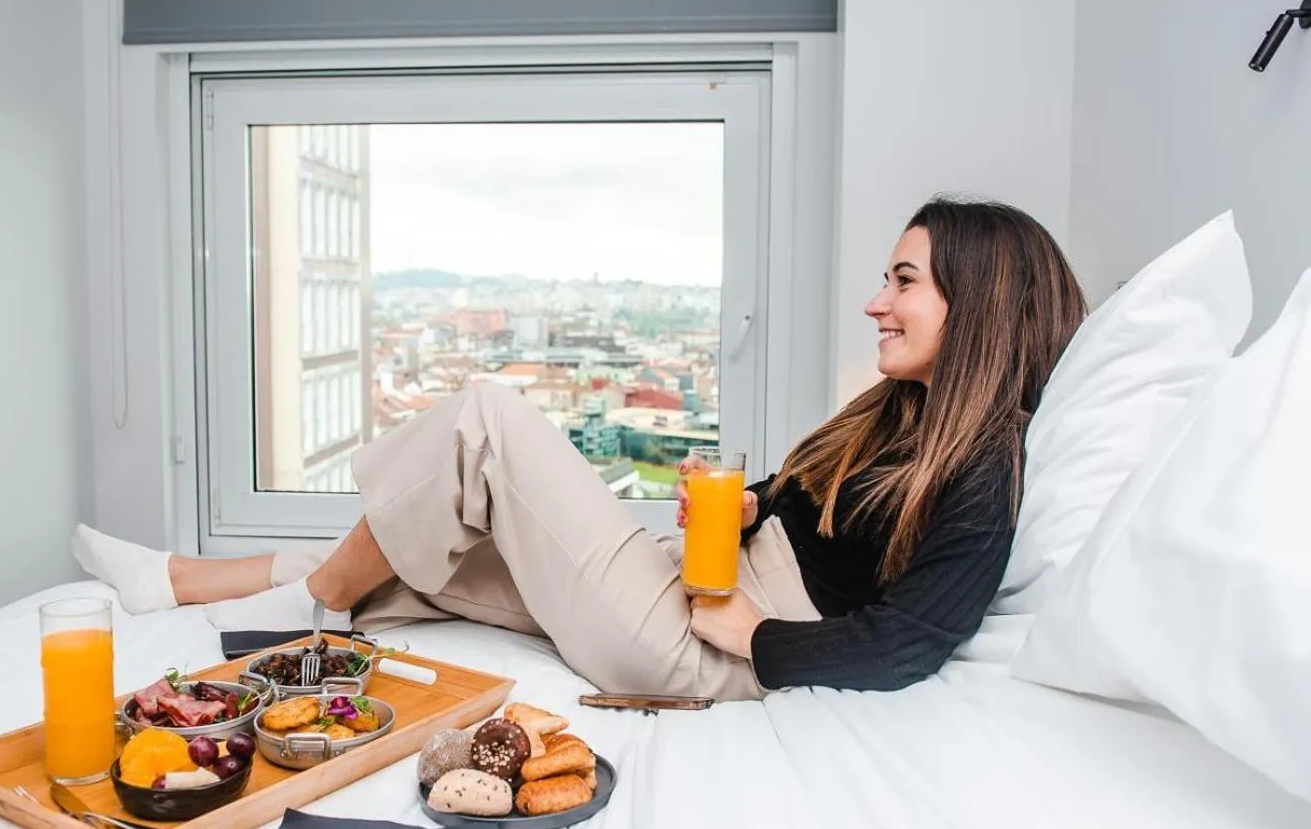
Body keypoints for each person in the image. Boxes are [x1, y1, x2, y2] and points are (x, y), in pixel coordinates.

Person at [75, 197, 1087, 697]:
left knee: (484, 417)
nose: (876, 300)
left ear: (981, 302)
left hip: (696, 641)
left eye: (904, 280)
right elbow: (808, 509)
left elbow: (912, 641)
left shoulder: (983, 469)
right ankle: (177, 580)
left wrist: (750, 635)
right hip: (686, 591)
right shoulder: (898, 418)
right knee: (433, 548)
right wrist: (744, 510)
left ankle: (317, 608)